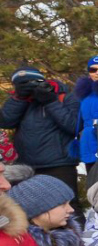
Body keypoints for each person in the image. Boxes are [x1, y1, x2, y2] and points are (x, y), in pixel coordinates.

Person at [1, 67, 81, 215]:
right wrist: (20, 98)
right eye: (22, 84)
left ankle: (76, 237)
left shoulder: (65, 97)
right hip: (26, 165)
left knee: (68, 206)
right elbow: (6, 121)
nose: (29, 86)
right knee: (27, 208)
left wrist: (50, 101)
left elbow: (73, 125)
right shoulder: (21, 101)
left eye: (33, 82)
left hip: (59, 163)